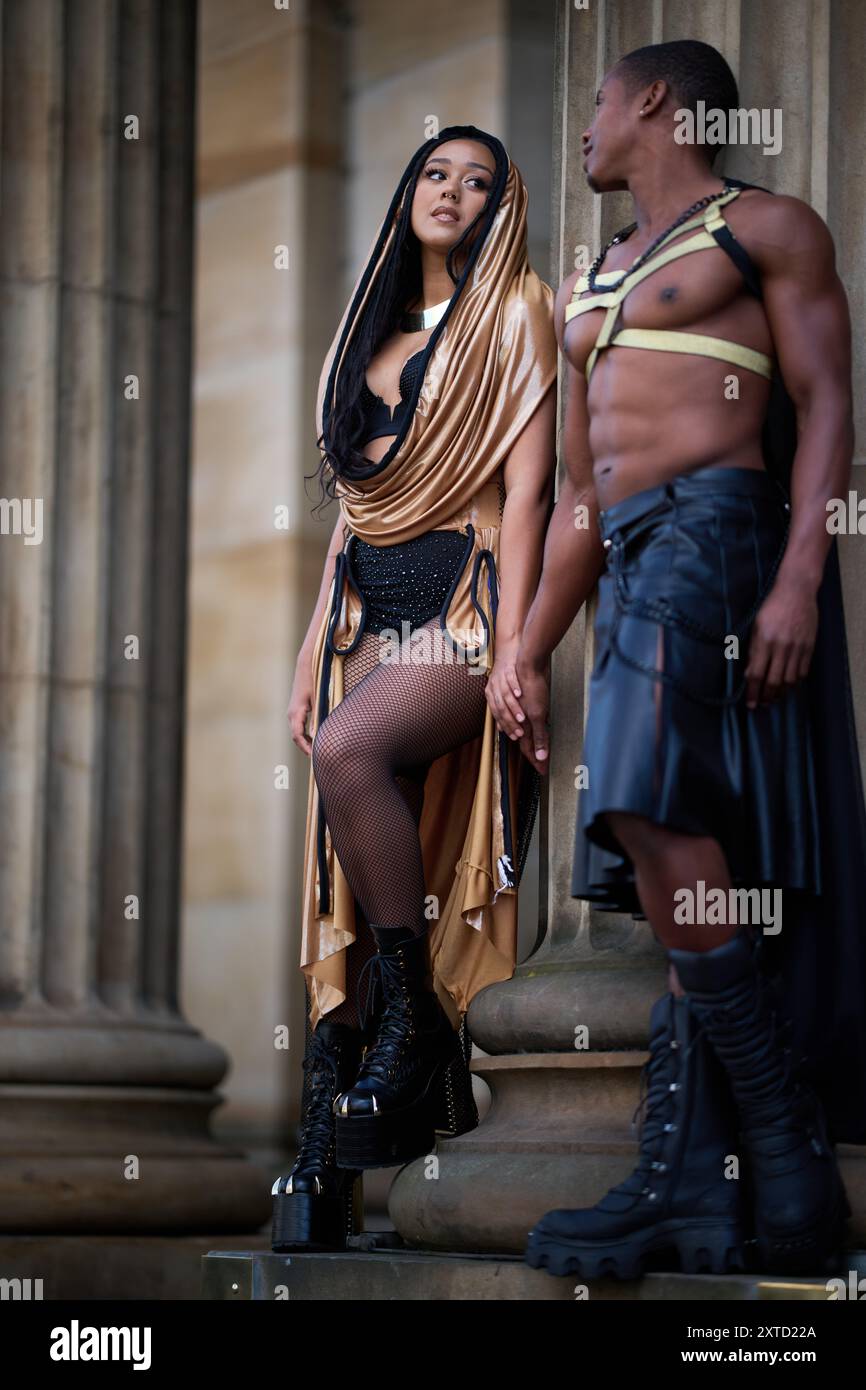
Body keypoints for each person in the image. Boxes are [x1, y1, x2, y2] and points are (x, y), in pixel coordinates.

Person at [511, 41, 866, 1279]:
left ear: (655, 101)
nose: (587, 127)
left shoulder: (759, 227)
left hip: (718, 530)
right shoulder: (588, 285)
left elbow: (825, 403)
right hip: (626, 559)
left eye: (597, 102)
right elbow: (570, 498)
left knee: (642, 801)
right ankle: (697, 1187)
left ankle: (779, 1142)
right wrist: (522, 643)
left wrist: (799, 581)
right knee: (666, 834)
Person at [270, 125, 557, 1251]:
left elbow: (528, 493)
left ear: (502, 206)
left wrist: (521, 645)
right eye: (435, 174)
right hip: (359, 619)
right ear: (408, 196)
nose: (452, 192)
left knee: (349, 753)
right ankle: (328, 1160)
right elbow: (351, 515)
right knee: (344, 875)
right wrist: (307, 646)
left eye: (477, 180)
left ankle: (417, 1024)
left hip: (463, 607)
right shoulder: (368, 329)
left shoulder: (517, 309)